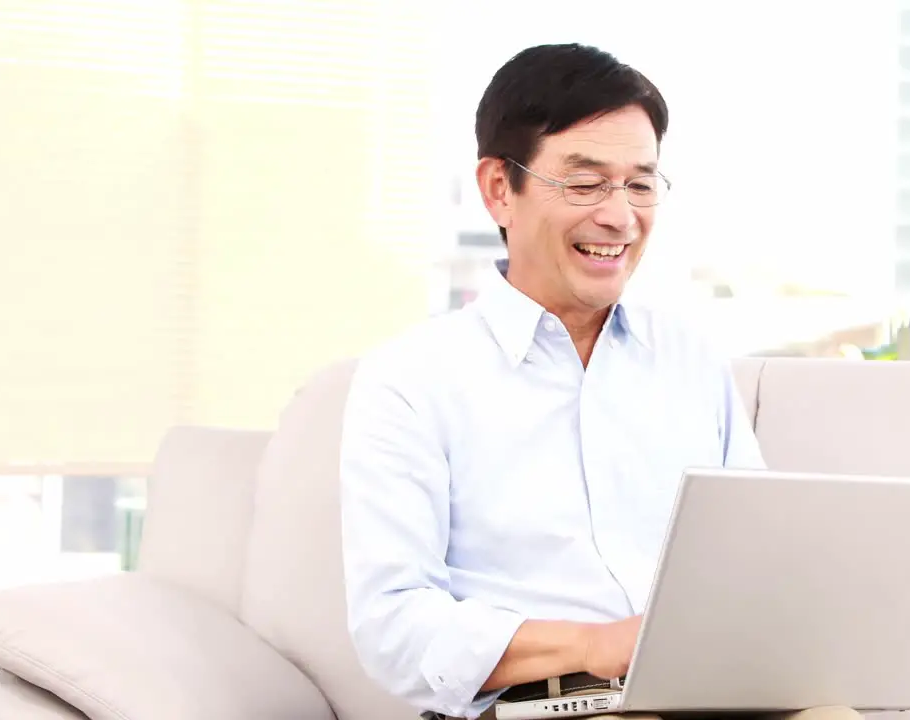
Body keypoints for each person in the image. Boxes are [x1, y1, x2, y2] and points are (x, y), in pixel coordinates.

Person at [339, 43, 861, 720]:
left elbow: (755, 567)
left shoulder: (691, 361)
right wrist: (597, 647)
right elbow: (394, 628)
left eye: (640, 185)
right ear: (501, 189)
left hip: (707, 698)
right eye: (585, 184)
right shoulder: (410, 381)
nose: (620, 216)